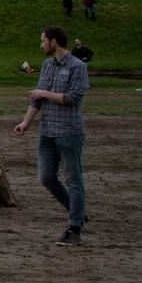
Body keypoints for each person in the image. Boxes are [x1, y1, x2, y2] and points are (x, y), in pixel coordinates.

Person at [14, 25, 90, 246]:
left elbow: (73, 98)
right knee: (46, 177)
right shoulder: (47, 65)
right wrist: (26, 122)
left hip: (69, 132)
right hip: (47, 133)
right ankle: (78, 211)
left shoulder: (77, 67)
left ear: (53, 41)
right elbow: (36, 99)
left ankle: (74, 228)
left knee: (73, 179)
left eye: (43, 40)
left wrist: (44, 93)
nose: (41, 44)